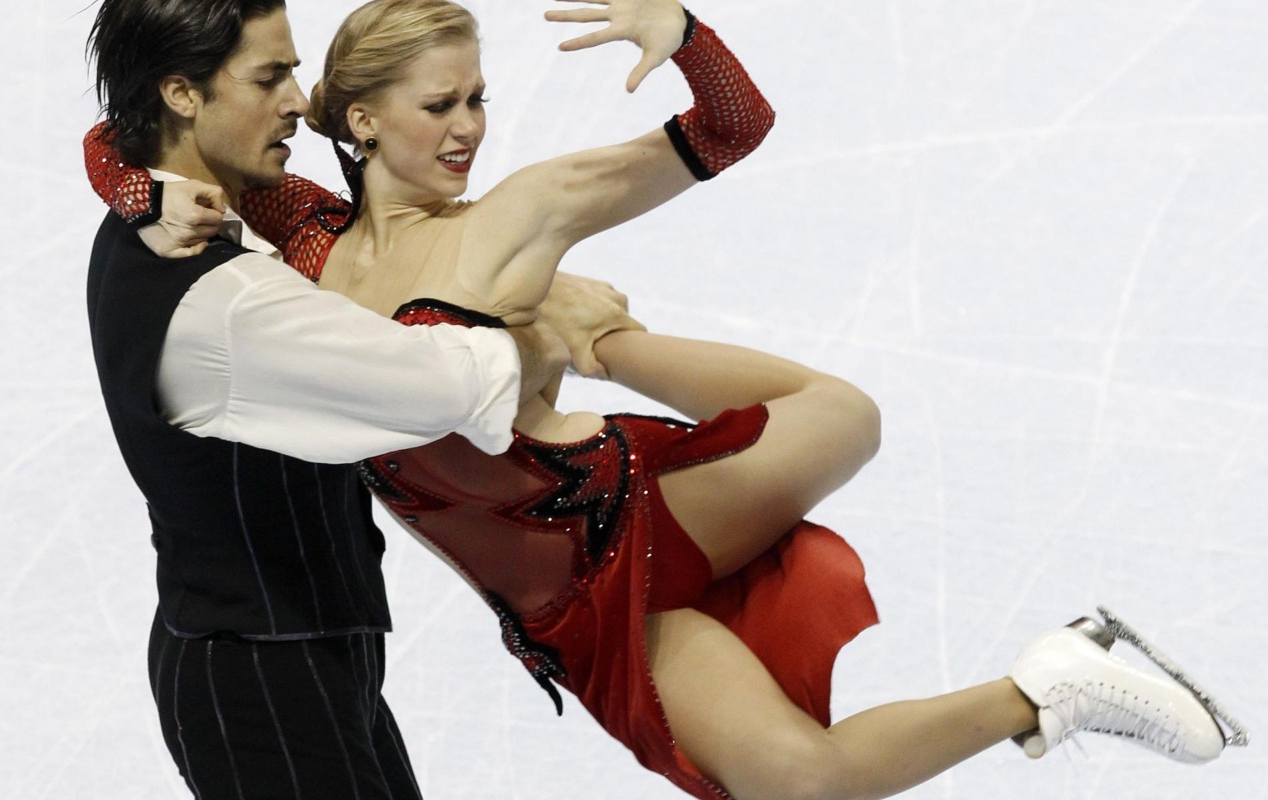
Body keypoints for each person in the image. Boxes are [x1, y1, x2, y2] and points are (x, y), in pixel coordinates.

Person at [87, 0, 1235, 798]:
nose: (469, 127)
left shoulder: (523, 208)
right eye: (439, 103)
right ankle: (1051, 682)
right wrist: (135, 187)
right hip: (560, 605)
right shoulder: (297, 230)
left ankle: (614, 342)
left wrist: (682, 40)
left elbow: (729, 126)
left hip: (617, 509)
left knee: (846, 415)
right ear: (360, 119)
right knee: (799, 777)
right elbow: (121, 132)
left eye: (477, 98)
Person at [82, 1, 638, 798]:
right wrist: (547, 324)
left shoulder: (185, 214)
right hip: (264, 673)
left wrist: (132, 187)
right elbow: (446, 385)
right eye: (270, 76)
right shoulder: (226, 299)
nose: (300, 104)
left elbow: (112, 140)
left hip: (299, 651)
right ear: (181, 95)